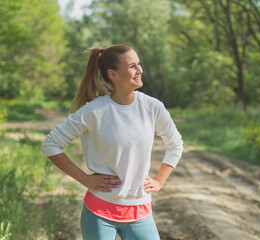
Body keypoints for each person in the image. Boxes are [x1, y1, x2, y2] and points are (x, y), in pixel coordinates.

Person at [41, 44, 184, 240]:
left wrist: (160, 180)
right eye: (132, 66)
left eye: (139, 64)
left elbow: (175, 144)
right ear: (114, 75)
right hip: (99, 212)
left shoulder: (152, 107)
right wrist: (84, 178)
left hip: (140, 211)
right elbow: (50, 144)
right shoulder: (93, 111)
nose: (140, 70)